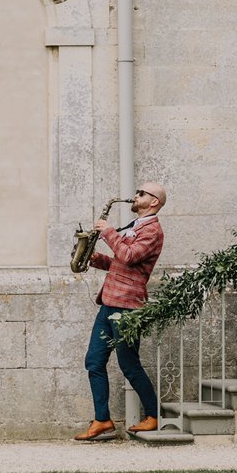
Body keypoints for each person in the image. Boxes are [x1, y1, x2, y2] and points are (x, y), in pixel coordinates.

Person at [74, 183, 166, 442]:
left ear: (154, 202)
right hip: (110, 302)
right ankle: (102, 420)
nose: (135, 196)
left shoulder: (153, 231)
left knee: (129, 364)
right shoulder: (134, 227)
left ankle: (154, 415)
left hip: (127, 307)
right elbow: (120, 264)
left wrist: (108, 232)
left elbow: (128, 256)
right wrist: (95, 259)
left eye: (141, 193)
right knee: (93, 361)